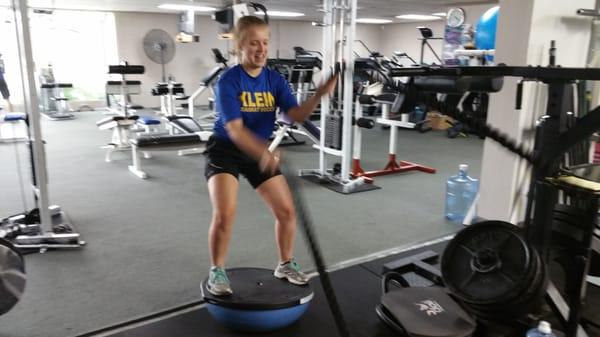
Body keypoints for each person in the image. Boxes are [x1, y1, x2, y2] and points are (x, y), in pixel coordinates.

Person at [205, 15, 337, 296]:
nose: (261, 49)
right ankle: (217, 269)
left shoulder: (274, 79)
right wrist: (264, 153)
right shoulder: (229, 81)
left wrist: (318, 95)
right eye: (254, 43)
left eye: (265, 42)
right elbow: (236, 131)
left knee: (287, 212)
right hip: (226, 149)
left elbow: (295, 115)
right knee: (225, 214)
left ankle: (285, 264)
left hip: (258, 150)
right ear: (240, 46)